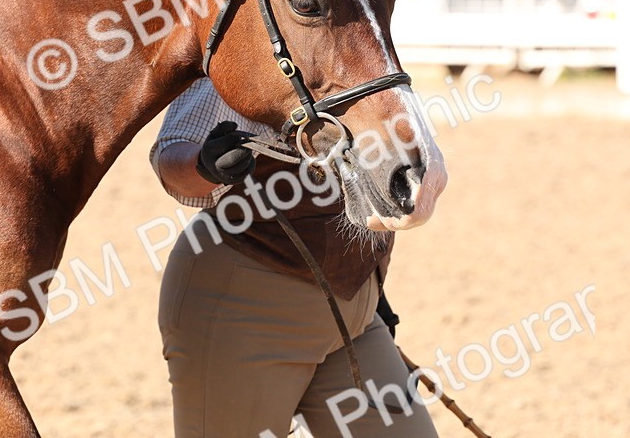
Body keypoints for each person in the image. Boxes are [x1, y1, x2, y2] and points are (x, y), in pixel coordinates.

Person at [151, 77, 440, 438]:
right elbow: (170, 157)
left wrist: (371, 287)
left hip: (356, 320)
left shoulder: (366, 52)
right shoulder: (252, 42)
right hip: (240, 315)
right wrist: (204, 166)